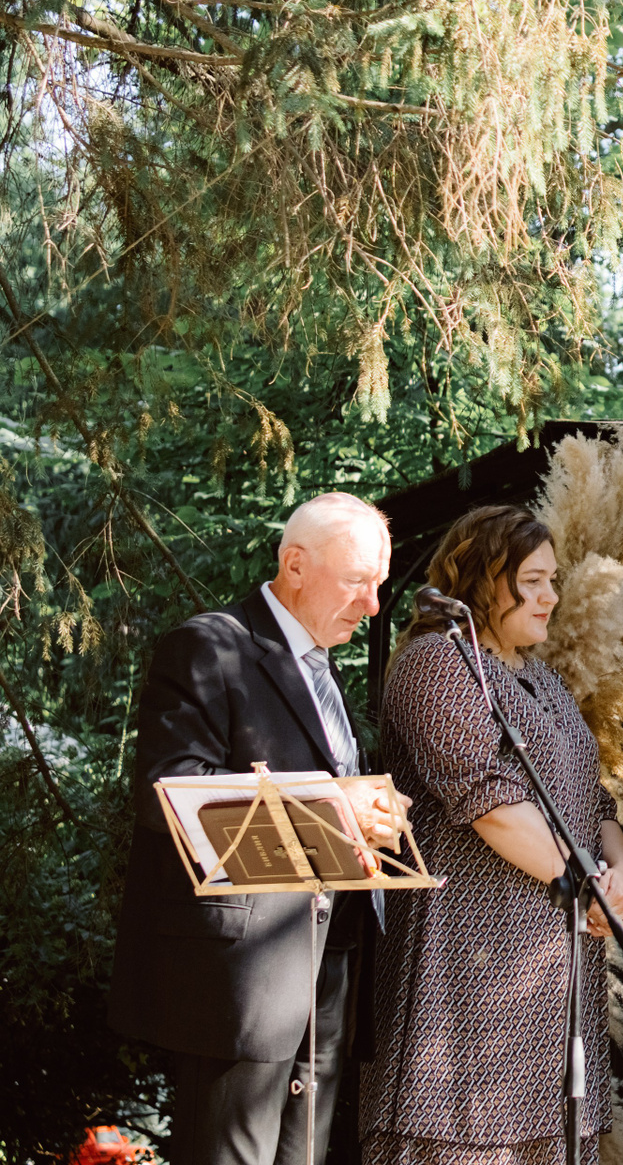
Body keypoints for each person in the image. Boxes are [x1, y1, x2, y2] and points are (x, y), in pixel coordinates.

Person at [109, 491, 411, 1165]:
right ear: (295, 565)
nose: (372, 606)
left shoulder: (323, 668)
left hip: (331, 959)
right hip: (243, 977)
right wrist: (338, 805)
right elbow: (168, 793)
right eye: (357, 581)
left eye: (379, 585)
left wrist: (372, 816)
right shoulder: (210, 646)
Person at [360, 505, 623, 1165]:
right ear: (483, 580)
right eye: (532, 581)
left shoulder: (541, 678)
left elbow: (593, 798)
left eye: (552, 581)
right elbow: (490, 803)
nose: (550, 597)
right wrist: (585, 885)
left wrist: (622, 871)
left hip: (551, 968)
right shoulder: (436, 663)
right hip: (465, 963)